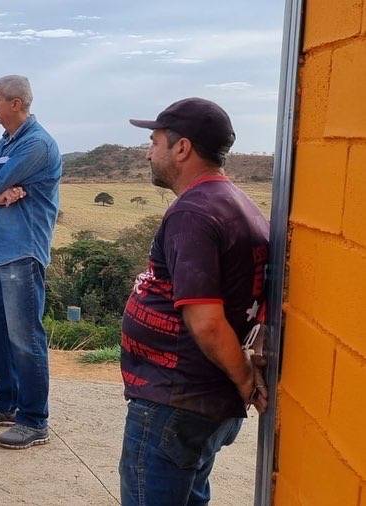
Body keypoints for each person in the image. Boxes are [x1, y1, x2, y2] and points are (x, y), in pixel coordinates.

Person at [119, 97, 269, 505]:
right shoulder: (232, 201)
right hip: (195, 400)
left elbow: (207, 322)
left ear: (182, 148)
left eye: (155, 142)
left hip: (176, 399)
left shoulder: (194, 213)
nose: (149, 153)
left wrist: (244, 381)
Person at [0, 75, 62, 450]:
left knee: (24, 338)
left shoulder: (37, 144)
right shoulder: (7, 141)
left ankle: (34, 420)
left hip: (21, 252)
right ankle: (5, 403)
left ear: (16, 103)